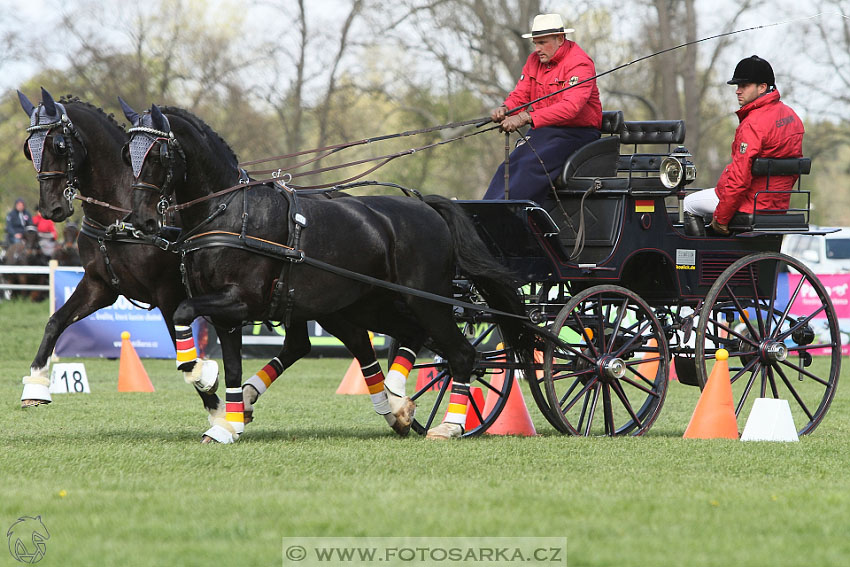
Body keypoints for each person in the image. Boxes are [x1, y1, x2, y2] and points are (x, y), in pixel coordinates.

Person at [483, 13, 603, 203]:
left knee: (530, 166)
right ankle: (487, 213)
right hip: (544, 131)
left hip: (577, 133)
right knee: (508, 166)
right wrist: (505, 108)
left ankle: (512, 215)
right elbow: (521, 95)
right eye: (535, 43)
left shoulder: (580, 63)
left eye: (542, 43)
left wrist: (525, 117)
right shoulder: (534, 61)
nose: (537, 49)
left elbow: (571, 107)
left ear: (560, 38)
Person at [683, 55, 804, 236]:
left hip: (750, 202)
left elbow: (740, 178)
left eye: (744, 86)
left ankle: (704, 259)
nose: (738, 91)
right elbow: (794, 168)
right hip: (777, 204)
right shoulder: (792, 117)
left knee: (688, 204)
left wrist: (721, 219)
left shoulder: (753, 123)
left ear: (762, 87)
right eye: (737, 86)